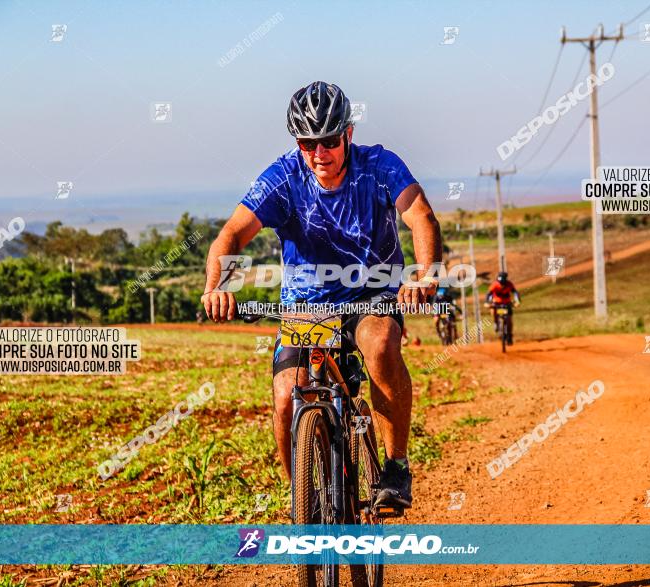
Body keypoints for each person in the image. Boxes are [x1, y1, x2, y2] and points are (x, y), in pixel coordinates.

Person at [201, 81, 442, 511]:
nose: (319, 154)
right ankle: (303, 501)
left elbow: (421, 217)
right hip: (307, 306)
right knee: (283, 400)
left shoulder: (380, 166)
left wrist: (423, 277)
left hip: (372, 294)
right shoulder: (284, 177)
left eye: (329, 141)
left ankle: (396, 466)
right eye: (308, 144)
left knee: (381, 345)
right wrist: (220, 285)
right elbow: (233, 234)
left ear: (348, 133)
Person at [486, 271, 519, 345]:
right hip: (497, 303)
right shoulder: (495, 285)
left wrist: (517, 302)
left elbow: (515, 292)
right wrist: (487, 302)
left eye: (503, 283)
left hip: (507, 303)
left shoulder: (509, 284)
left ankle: (509, 335)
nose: (501, 285)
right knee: (493, 309)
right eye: (500, 283)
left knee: (509, 320)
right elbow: (489, 294)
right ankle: (496, 323)